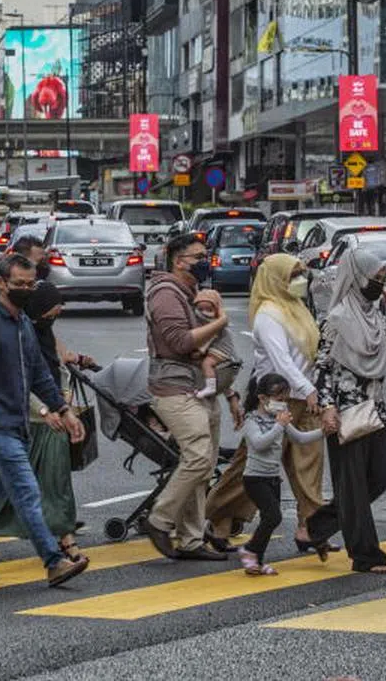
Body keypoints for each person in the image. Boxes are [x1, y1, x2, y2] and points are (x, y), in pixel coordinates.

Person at [0, 254, 89, 587]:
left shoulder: (23, 323)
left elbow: (39, 374)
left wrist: (63, 411)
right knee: (26, 490)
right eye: (18, 284)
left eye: (30, 283)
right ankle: (54, 561)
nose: (25, 289)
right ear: (0, 283)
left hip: (17, 422)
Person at [305, 248, 386, 574]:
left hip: (374, 410)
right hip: (346, 413)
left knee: (379, 478)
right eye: (376, 278)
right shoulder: (336, 319)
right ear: (358, 279)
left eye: (383, 278)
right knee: (353, 485)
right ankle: (366, 555)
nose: (381, 284)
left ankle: (318, 526)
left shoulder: (376, 315)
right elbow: (321, 368)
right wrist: (326, 408)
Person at [205, 253, 319, 553]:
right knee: (252, 467)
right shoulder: (269, 314)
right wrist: (307, 388)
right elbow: (281, 360)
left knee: (309, 464)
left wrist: (313, 389)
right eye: (293, 275)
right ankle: (219, 516)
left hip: (304, 397)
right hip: (275, 400)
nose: (299, 281)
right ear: (276, 279)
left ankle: (311, 526)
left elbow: (307, 357)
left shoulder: (297, 308)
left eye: (301, 275)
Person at [142, 233, 231, 561]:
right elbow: (180, 343)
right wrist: (220, 321)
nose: (204, 261)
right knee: (197, 456)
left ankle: (192, 538)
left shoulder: (189, 291)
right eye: (197, 256)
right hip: (174, 387)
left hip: (196, 386)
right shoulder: (166, 294)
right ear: (178, 261)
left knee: (204, 464)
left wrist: (230, 391)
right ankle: (159, 520)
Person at [237, 373, 324, 576]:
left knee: (272, 519)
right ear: (262, 398)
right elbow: (259, 443)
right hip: (254, 478)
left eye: (285, 400)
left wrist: (323, 432)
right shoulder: (251, 420)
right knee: (273, 516)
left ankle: (256, 560)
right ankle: (249, 550)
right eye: (279, 400)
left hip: (272, 478)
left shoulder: (280, 419)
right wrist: (279, 425)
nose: (283, 404)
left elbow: (300, 438)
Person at [192, 290, 237, 399]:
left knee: (207, 364)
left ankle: (210, 386)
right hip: (217, 348)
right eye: (200, 309)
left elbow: (207, 340)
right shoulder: (205, 322)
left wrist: (200, 351)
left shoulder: (215, 324)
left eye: (209, 310)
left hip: (221, 349)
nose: (204, 313)